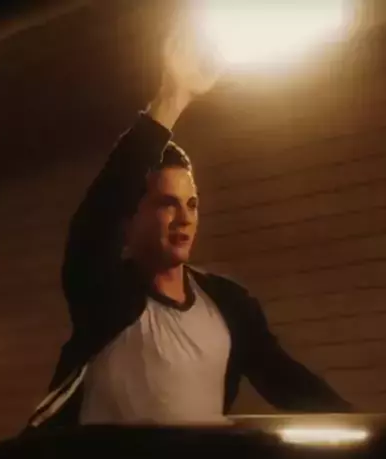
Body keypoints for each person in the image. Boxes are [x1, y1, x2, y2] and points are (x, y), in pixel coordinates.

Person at [27, 24, 351, 430]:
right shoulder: (105, 296)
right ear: (132, 217)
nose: (184, 218)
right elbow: (100, 214)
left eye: (192, 204)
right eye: (167, 204)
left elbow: (288, 382)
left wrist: (375, 436)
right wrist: (173, 96)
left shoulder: (227, 305)